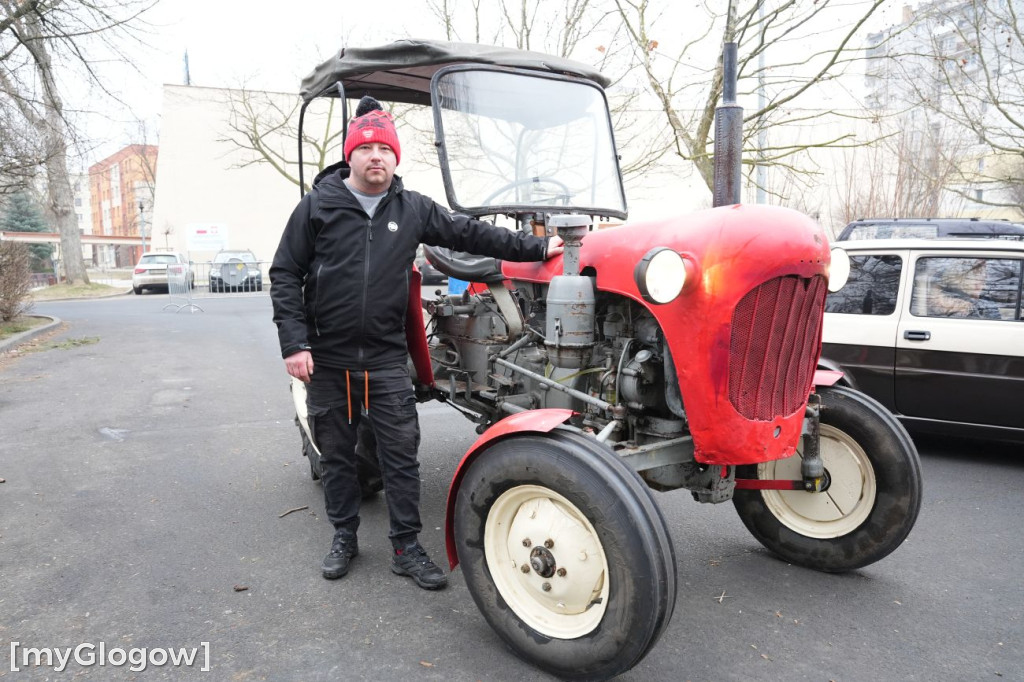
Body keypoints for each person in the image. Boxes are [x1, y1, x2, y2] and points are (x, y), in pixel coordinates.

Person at [270, 96, 562, 589]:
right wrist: (294, 344)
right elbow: (284, 273)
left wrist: (537, 246)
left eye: (385, 148)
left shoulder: (413, 209)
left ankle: (406, 547)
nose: (376, 156)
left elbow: (470, 234)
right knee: (338, 455)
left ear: (395, 157)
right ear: (350, 155)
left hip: (386, 357)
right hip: (328, 357)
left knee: (401, 455)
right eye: (367, 148)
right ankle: (344, 536)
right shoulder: (317, 206)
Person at [927, 258, 999, 320]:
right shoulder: (942, 301)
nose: (983, 279)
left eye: (984, 272)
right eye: (977, 272)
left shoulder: (987, 302)